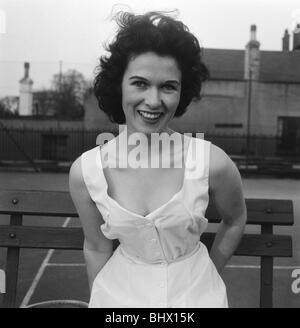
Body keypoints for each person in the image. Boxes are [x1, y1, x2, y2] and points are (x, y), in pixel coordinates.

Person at [69, 11, 247, 308]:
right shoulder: (86, 172)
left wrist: (208, 273)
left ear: (182, 91)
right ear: (119, 85)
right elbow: (97, 246)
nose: (153, 101)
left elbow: (235, 219)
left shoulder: (212, 162)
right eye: (140, 83)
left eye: (168, 86)